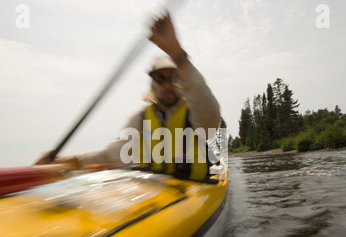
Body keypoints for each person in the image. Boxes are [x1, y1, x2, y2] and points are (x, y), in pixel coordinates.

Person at [36, 14, 221, 181]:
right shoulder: (139, 119)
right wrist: (71, 161)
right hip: (160, 193)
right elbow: (111, 155)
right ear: (152, 84)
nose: (167, 84)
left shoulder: (194, 111)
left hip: (195, 187)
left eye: (173, 77)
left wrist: (176, 53)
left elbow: (211, 119)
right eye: (160, 78)